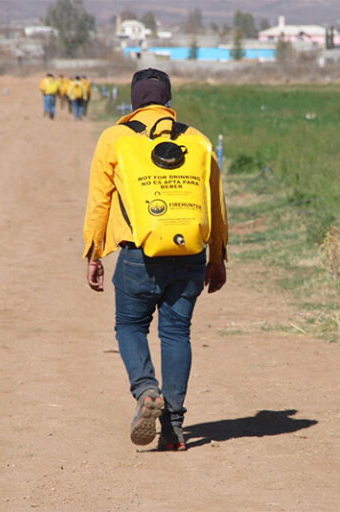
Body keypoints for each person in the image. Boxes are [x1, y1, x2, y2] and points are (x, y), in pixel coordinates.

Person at [82, 68, 228, 451]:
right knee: (176, 333)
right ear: (168, 102)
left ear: (133, 103)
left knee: (130, 327)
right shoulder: (197, 140)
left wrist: (94, 252)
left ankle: (147, 389)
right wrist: (218, 256)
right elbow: (216, 203)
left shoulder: (115, 138)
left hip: (138, 256)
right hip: (190, 254)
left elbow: (99, 200)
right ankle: (174, 428)